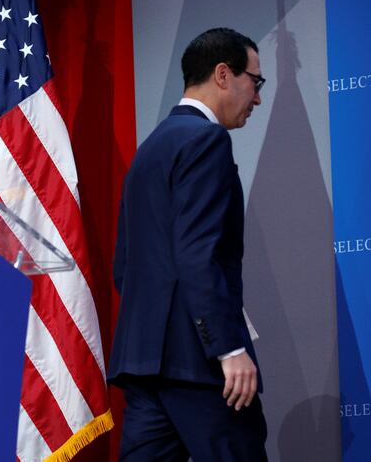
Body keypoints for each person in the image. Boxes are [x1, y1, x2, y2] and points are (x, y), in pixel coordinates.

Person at [108, 27, 267, 461]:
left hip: (144, 364)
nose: (257, 98)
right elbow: (198, 252)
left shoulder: (149, 150)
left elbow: (125, 267)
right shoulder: (207, 140)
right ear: (223, 74)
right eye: (255, 81)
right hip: (200, 367)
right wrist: (228, 348)